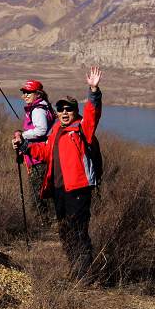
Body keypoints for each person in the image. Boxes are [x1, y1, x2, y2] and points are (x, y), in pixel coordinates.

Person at [13, 67, 103, 283]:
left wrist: (93, 90)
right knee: (65, 232)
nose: (64, 113)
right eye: (60, 109)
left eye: (68, 110)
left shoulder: (83, 129)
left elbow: (93, 113)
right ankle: (75, 269)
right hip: (59, 190)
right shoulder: (55, 131)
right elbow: (45, 153)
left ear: (75, 112)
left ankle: (84, 276)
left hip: (78, 189)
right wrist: (25, 146)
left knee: (78, 230)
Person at [19, 79, 57, 225]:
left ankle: (42, 221)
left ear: (37, 93)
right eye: (24, 92)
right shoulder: (44, 106)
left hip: (37, 155)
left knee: (37, 190)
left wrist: (23, 135)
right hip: (41, 153)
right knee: (45, 187)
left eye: (28, 92)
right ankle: (50, 218)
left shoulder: (38, 109)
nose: (25, 95)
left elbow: (41, 130)